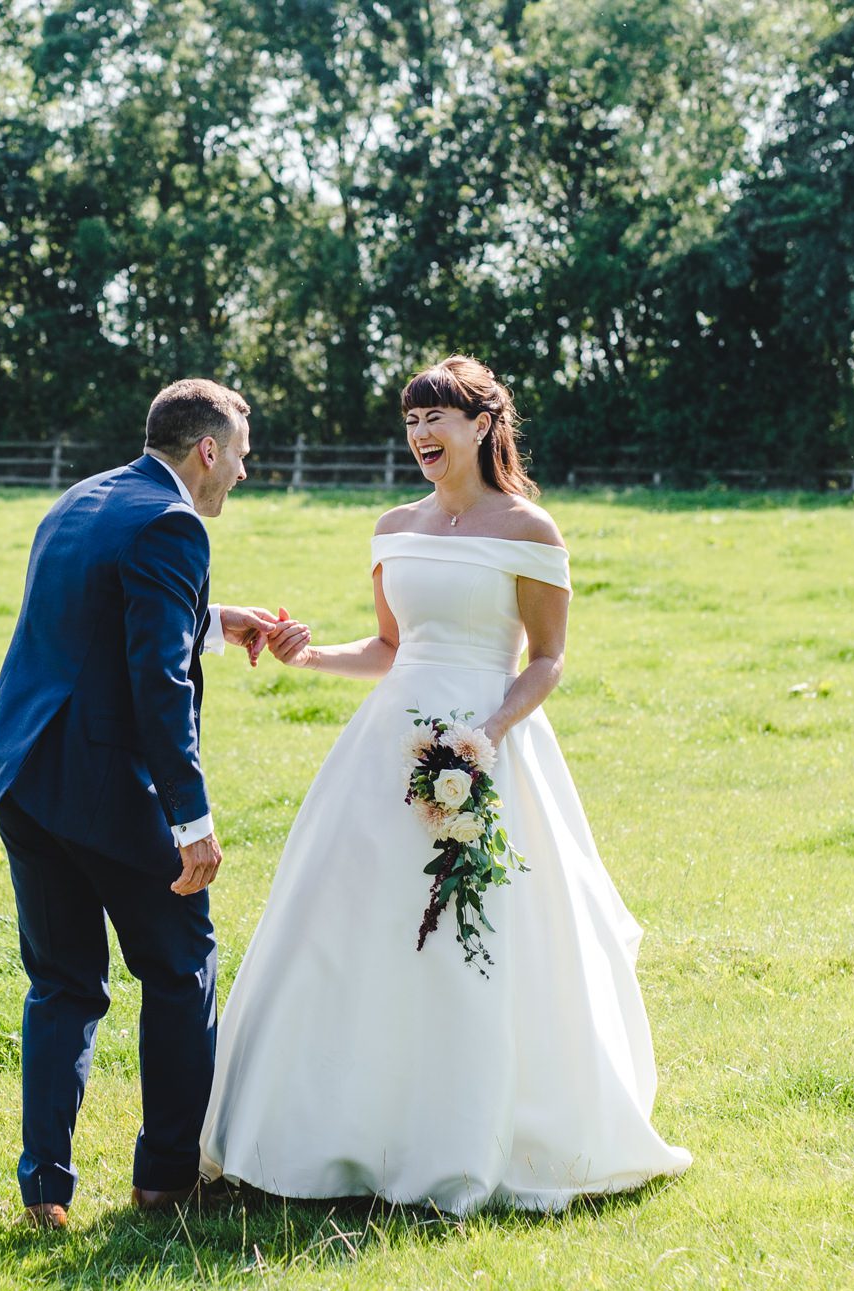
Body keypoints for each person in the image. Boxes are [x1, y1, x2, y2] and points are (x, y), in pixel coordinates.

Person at [200, 356, 691, 1212]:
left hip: (489, 747)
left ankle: (477, 1132)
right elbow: (391, 648)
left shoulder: (530, 530)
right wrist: (307, 653)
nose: (422, 434)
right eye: (411, 420)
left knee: (485, 936)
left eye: (438, 418)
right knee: (347, 925)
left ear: (481, 425)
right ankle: (330, 1133)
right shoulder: (395, 525)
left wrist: (486, 738)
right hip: (386, 748)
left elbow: (547, 661)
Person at [0, 378, 278, 1230]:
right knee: (181, 968)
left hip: (22, 775)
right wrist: (192, 821)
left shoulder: (81, 498)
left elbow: (102, 618)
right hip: (106, 784)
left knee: (61, 984)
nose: (242, 474)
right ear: (207, 449)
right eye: (240, 455)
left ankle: (45, 1191)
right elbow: (154, 679)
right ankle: (166, 1181)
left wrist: (215, 619)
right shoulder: (175, 524)